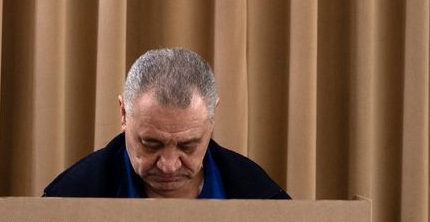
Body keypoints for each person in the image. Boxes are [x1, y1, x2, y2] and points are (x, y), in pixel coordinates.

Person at [43, 48, 290, 199]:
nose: (169, 166)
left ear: (212, 118)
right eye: (151, 144)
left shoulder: (262, 199)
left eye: (188, 146)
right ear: (123, 114)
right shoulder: (68, 200)